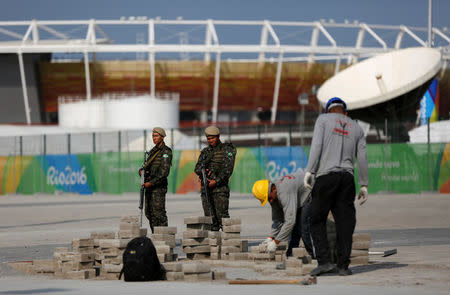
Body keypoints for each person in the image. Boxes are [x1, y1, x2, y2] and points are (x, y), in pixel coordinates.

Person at [304, 97, 369, 276]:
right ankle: (343, 266)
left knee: (316, 219)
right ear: (345, 113)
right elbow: (362, 158)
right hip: (347, 180)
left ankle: (324, 262)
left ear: (328, 111)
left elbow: (316, 145)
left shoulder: (323, 120)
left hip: (326, 177)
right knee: (345, 223)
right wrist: (364, 183)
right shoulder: (356, 127)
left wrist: (309, 170)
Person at [251, 170, 314, 258]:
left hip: (312, 191)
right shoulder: (273, 196)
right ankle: (290, 256)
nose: (271, 201)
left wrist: (276, 242)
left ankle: (314, 257)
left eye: (269, 198)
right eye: (268, 199)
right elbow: (278, 219)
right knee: (296, 229)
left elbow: (290, 221)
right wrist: (271, 237)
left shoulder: (284, 193)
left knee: (303, 227)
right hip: (300, 196)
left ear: (273, 189)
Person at [194, 126, 236, 231]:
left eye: (212, 138)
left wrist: (216, 181)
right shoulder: (205, 152)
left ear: (218, 137)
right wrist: (203, 171)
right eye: (208, 139)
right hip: (206, 189)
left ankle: (228, 243)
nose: (210, 141)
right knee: (210, 220)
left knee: (223, 218)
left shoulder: (227, 149)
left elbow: (228, 170)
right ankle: (214, 244)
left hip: (220, 189)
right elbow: (197, 168)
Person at [139, 127, 172, 231]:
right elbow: (146, 166)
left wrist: (151, 183)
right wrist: (141, 171)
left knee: (159, 214)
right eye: (153, 136)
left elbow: (164, 172)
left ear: (162, 137)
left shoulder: (166, 151)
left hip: (158, 188)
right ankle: (156, 235)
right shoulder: (152, 151)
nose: (154, 138)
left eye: (156, 136)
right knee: (149, 213)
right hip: (149, 187)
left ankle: (164, 237)